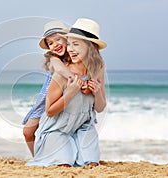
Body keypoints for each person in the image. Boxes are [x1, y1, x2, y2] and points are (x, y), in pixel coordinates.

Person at [26, 18, 107, 167]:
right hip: (56, 121)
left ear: (90, 47)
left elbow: (100, 108)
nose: (69, 48)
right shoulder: (58, 65)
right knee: (28, 131)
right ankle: (39, 154)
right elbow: (49, 111)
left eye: (74, 44)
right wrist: (71, 88)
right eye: (69, 43)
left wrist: (97, 93)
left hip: (81, 125)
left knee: (92, 164)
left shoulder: (98, 68)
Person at [22, 20, 80, 156]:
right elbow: (60, 69)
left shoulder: (75, 57)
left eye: (57, 40)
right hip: (46, 100)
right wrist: (74, 80)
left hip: (66, 99)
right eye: (51, 43)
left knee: (61, 132)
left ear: (67, 39)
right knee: (27, 132)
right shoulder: (52, 58)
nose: (55, 45)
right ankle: (35, 156)